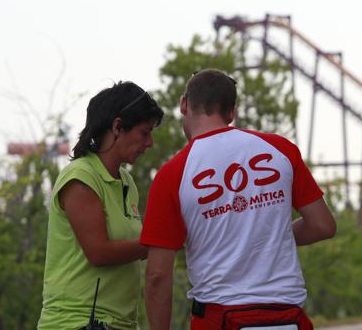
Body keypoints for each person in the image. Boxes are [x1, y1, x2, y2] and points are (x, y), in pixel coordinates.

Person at [140, 69, 336, 330]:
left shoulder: (173, 174)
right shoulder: (280, 150)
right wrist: (267, 237)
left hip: (218, 318)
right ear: (231, 113)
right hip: (287, 317)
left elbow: (157, 275)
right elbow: (323, 225)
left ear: (184, 104)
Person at [38, 81, 164, 330]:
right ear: (117, 126)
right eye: (144, 132)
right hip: (76, 322)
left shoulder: (126, 181)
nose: (149, 143)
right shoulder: (81, 177)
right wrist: (161, 242)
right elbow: (99, 252)